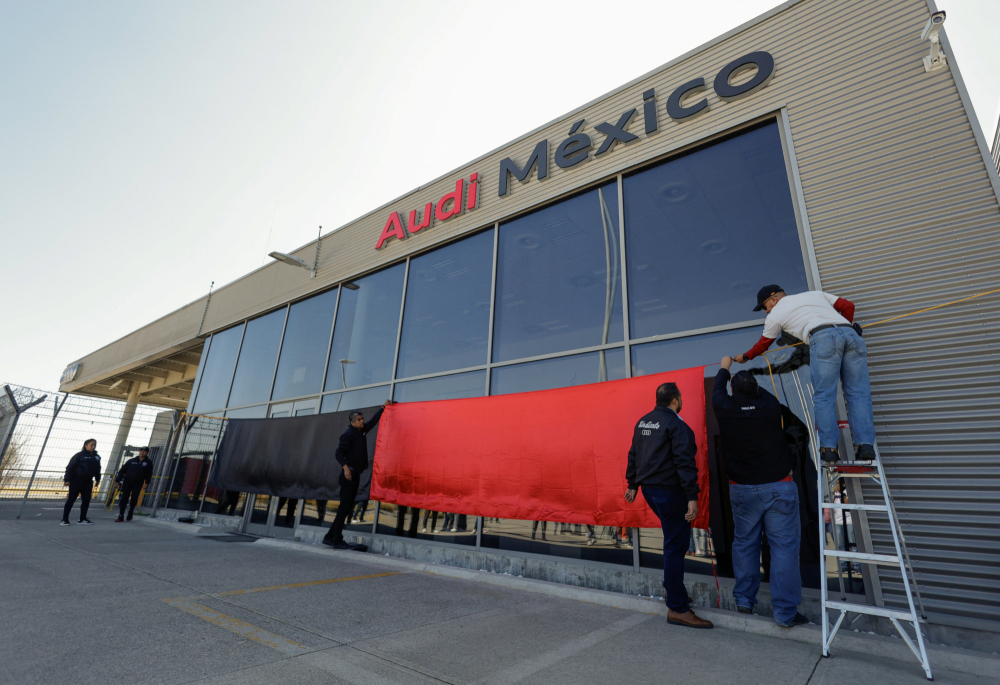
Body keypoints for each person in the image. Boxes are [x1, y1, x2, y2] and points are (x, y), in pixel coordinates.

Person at [713, 357, 808, 627]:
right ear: (756, 389)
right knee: (784, 550)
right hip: (778, 488)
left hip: (742, 491)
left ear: (733, 392)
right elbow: (762, 392)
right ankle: (785, 614)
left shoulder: (724, 407)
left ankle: (744, 601)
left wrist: (724, 366)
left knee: (744, 545)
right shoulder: (769, 406)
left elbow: (718, 388)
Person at [734, 285, 874, 465]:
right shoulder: (815, 294)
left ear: (773, 299)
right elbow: (848, 306)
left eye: (765, 306)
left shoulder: (775, 314)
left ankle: (829, 449)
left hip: (823, 338)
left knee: (824, 396)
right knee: (859, 394)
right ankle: (865, 446)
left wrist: (746, 357)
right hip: (851, 336)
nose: (766, 311)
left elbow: (764, 343)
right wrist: (845, 329)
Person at [625, 383, 713, 629]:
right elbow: (685, 462)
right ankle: (677, 608)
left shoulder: (643, 421)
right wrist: (692, 496)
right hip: (670, 492)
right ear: (675, 400)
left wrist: (632, 483)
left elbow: (633, 454)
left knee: (672, 543)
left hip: (650, 491)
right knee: (675, 547)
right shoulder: (677, 425)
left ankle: (674, 592)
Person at [323, 400, 393, 549]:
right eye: (359, 420)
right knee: (344, 508)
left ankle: (330, 536)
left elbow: (373, 422)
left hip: (355, 475)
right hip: (349, 476)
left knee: (346, 508)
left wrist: (383, 407)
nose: (362, 421)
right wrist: (346, 468)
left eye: (362, 419)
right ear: (352, 422)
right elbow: (339, 453)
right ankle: (336, 538)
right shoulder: (348, 434)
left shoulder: (361, 431)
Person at [61, 439, 102, 526]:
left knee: (86, 500)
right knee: (71, 499)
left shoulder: (96, 457)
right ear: (85, 445)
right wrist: (67, 479)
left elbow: (98, 469)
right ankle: (65, 519)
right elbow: (70, 468)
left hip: (88, 481)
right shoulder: (79, 456)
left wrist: (98, 479)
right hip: (77, 479)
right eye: (91, 445)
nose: (93, 446)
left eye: (94, 445)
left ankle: (82, 519)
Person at [114, 447, 153, 522]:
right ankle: (121, 515)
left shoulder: (148, 462)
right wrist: (117, 481)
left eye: (144, 451)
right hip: (128, 482)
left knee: (134, 498)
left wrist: (147, 482)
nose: (142, 452)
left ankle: (131, 511)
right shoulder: (131, 461)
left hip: (138, 483)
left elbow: (149, 473)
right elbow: (122, 470)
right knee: (124, 498)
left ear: (147, 453)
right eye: (141, 451)